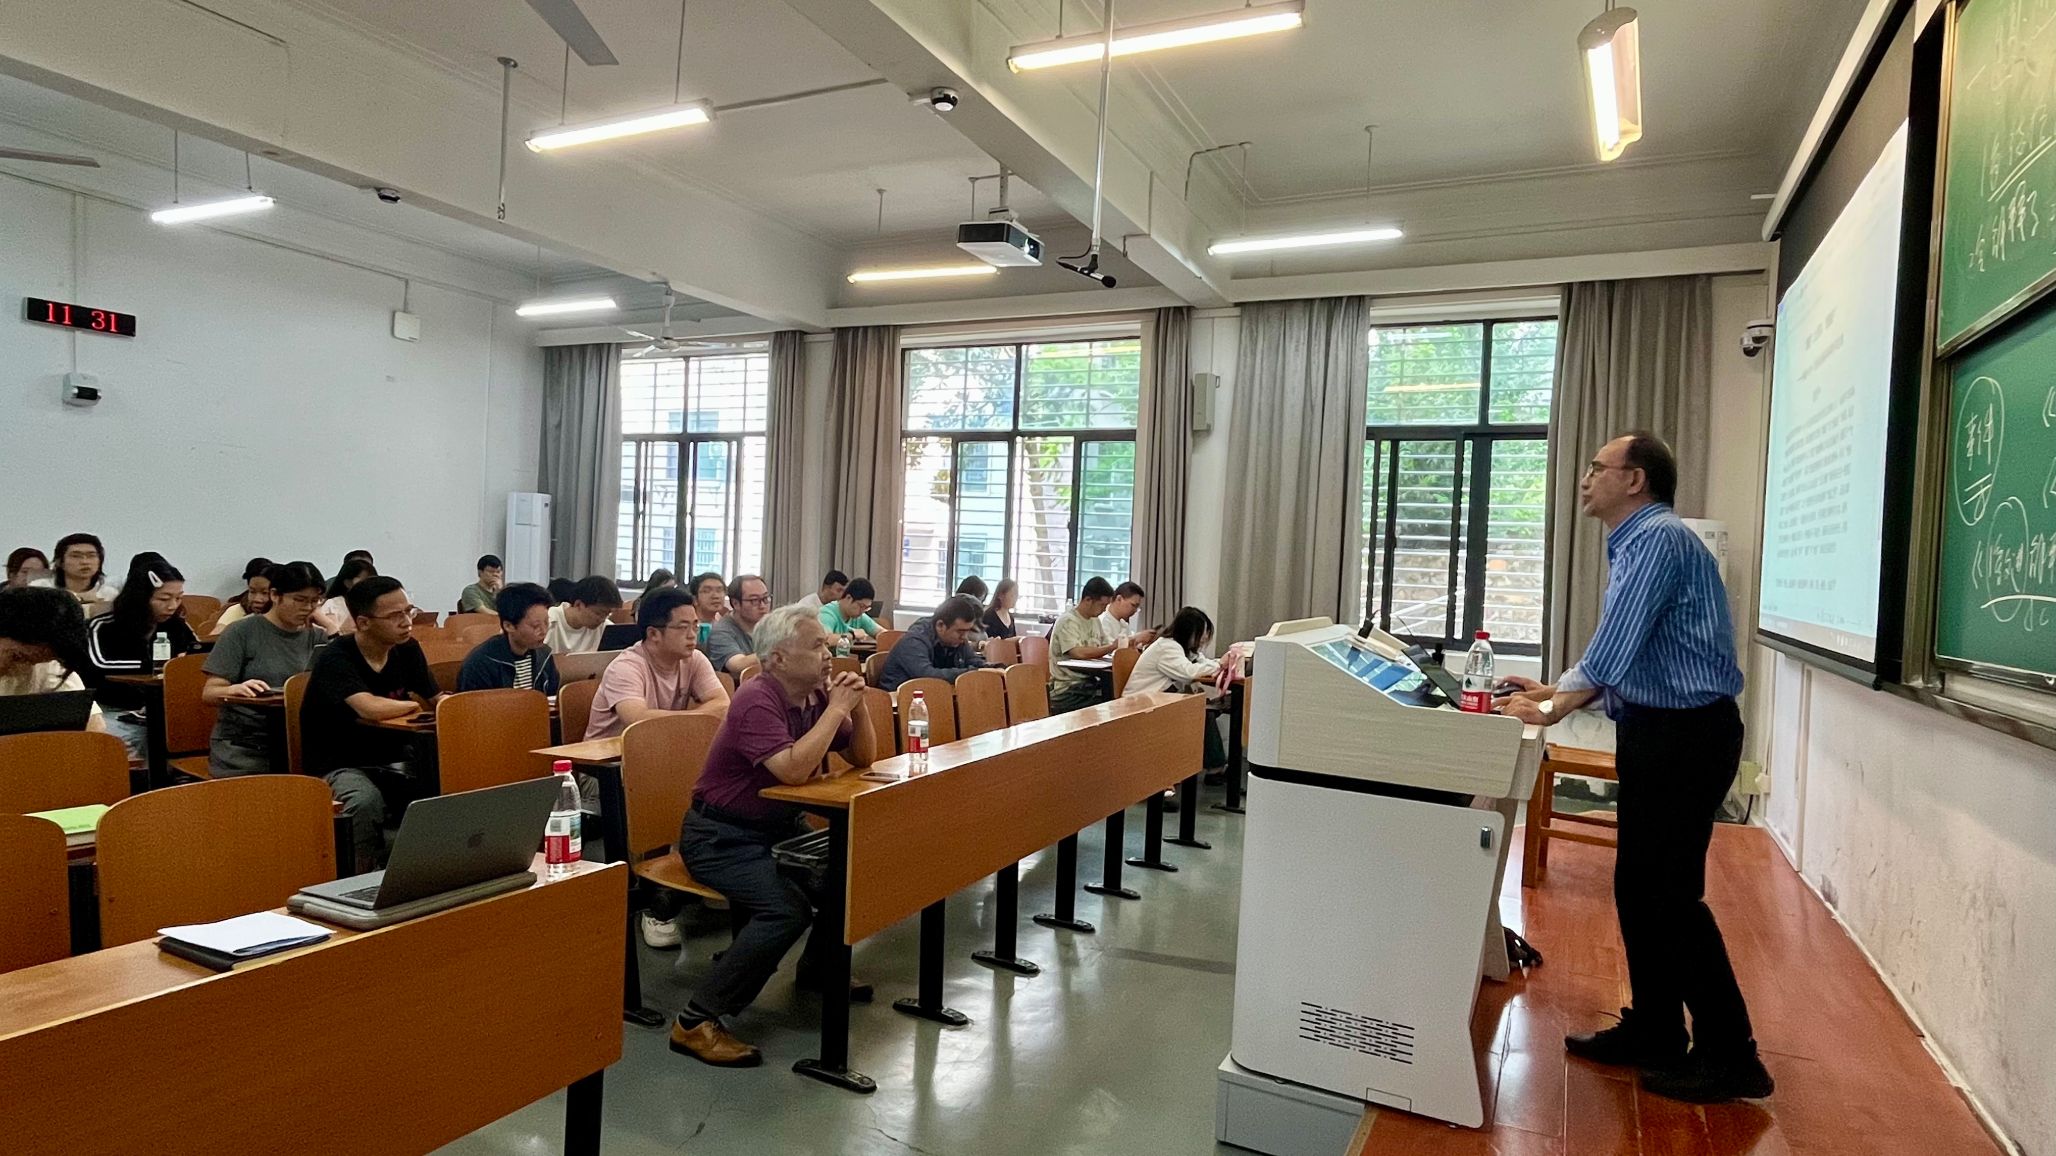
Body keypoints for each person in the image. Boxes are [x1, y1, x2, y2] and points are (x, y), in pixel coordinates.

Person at [1496, 432, 1767, 1104]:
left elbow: (1612, 650)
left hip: (1685, 737)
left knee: (1670, 896)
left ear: (1636, 479)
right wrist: (1553, 692)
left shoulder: (1658, 540)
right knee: (1638, 889)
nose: (1586, 478)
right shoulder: (1638, 542)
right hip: (1660, 731)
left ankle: (1732, 1054)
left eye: (1598, 467)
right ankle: (1656, 1028)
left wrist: (1552, 707)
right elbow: (1632, 658)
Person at [667, 605, 876, 1067]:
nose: (829, 655)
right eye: (817, 646)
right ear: (778, 658)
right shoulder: (756, 698)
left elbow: (863, 758)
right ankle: (695, 1021)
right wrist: (837, 708)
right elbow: (793, 770)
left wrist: (858, 708)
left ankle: (818, 968)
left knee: (843, 874)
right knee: (785, 910)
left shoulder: (814, 696)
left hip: (777, 828)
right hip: (720, 836)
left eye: (826, 645)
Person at [302, 575, 440, 871]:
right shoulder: (336, 657)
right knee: (364, 802)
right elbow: (369, 708)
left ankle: (427, 870)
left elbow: (436, 697)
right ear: (363, 622)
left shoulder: (408, 649)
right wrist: (412, 704)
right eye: (395, 616)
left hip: (394, 757)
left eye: (409, 611)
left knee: (445, 783)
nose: (407, 622)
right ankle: (360, 878)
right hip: (337, 762)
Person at [202, 561, 326, 775]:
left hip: (298, 740)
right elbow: (209, 693)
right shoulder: (241, 631)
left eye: (314, 601)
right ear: (275, 595)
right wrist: (233, 689)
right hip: (246, 745)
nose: (307, 608)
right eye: (299, 600)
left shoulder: (317, 637)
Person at [78, 553, 200, 761]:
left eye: (178, 598)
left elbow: (198, 656)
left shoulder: (178, 627)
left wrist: (181, 664)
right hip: (112, 708)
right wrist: (167, 667)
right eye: (164, 599)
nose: (172, 606)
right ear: (141, 597)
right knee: (132, 738)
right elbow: (100, 665)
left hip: (161, 709)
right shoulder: (102, 627)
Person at [584, 587, 727, 743]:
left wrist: (688, 719)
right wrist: (699, 717)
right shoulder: (624, 667)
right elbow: (638, 720)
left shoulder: (694, 659)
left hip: (660, 747)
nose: (692, 635)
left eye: (695, 626)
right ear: (653, 634)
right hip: (609, 754)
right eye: (683, 627)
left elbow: (723, 705)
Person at [1124, 606, 1234, 770]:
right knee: (1203, 712)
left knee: (1205, 710)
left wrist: (1219, 664)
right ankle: (1213, 768)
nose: (1204, 638)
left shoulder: (1183, 648)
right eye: (1202, 632)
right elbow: (1188, 673)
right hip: (1142, 703)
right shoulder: (1167, 647)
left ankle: (1212, 766)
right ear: (1188, 631)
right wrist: (1219, 665)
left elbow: (1203, 663)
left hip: (1159, 699)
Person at [0, 585, 106, 731]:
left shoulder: (46, 665)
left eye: (41, 660)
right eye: (17, 657)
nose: (23, 668)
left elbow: (93, 726)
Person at [456, 582, 560, 694]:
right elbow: (475, 703)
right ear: (509, 626)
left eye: (546, 622)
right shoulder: (481, 663)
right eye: (535, 626)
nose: (544, 631)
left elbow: (551, 697)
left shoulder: (544, 655)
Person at [879, 595, 985, 691]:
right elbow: (927, 676)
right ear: (940, 626)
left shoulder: (957, 639)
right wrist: (973, 672)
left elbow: (972, 660)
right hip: (898, 698)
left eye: (967, 631)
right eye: (960, 631)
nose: (965, 637)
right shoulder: (914, 641)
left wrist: (989, 668)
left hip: (932, 694)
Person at [1048, 577, 1119, 713]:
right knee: (1109, 705)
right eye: (1102, 605)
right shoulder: (1068, 621)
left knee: (1115, 695)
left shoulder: (1095, 621)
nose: (1104, 610)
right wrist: (1111, 647)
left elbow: (1105, 647)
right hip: (1068, 687)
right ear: (1088, 600)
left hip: (1089, 683)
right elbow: (1077, 653)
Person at [34, 532, 119, 616]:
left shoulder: (110, 594)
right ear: (59, 562)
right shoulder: (41, 588)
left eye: (91, 556)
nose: (85, 562)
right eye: (76, 556)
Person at [703, 574, 772, 676]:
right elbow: (737, 665)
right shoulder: (721, 632)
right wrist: (779, 651)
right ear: (735, 603)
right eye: (754, 600)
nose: (762, 606)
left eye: (765, 598)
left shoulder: (770, 624)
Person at [546, 575, 623, 654]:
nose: (603, 619)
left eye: (607, 614)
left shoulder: (606, 628)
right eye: (598, 613)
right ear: (578, 604)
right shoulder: (548, 620)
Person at [209, 557, 275, 637]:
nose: (257, 599)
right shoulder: (237, 610)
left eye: (265, 593)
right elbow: (214, 638)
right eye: (252, 592)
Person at [315, 557, 377, 636]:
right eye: (364, 580)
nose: (369, 584)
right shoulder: (332, 605)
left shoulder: (375, 605)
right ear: (347, 582)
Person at [817, 576, 881, 646]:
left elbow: (881, 632)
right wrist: (852, 635)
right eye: (861, 606)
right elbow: (825, 640)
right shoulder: (827, 613)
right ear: (848, 598)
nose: (862, 611)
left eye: (866, 608)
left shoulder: (859, 615)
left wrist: (880, 636)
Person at [1100, 581, 1159, 649]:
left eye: (1137, 607)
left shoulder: (1123, 623)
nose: (1135, 610)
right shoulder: (1102, 620)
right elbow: (1109, 648)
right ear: (1119, 599)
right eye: (1133, 605)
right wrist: (1136, 638)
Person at [689, 571, 727, 644]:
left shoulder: (725, 624)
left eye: (719, 590)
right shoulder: (687, 626)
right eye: (707, 591)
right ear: (695, 599)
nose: (715, 596)